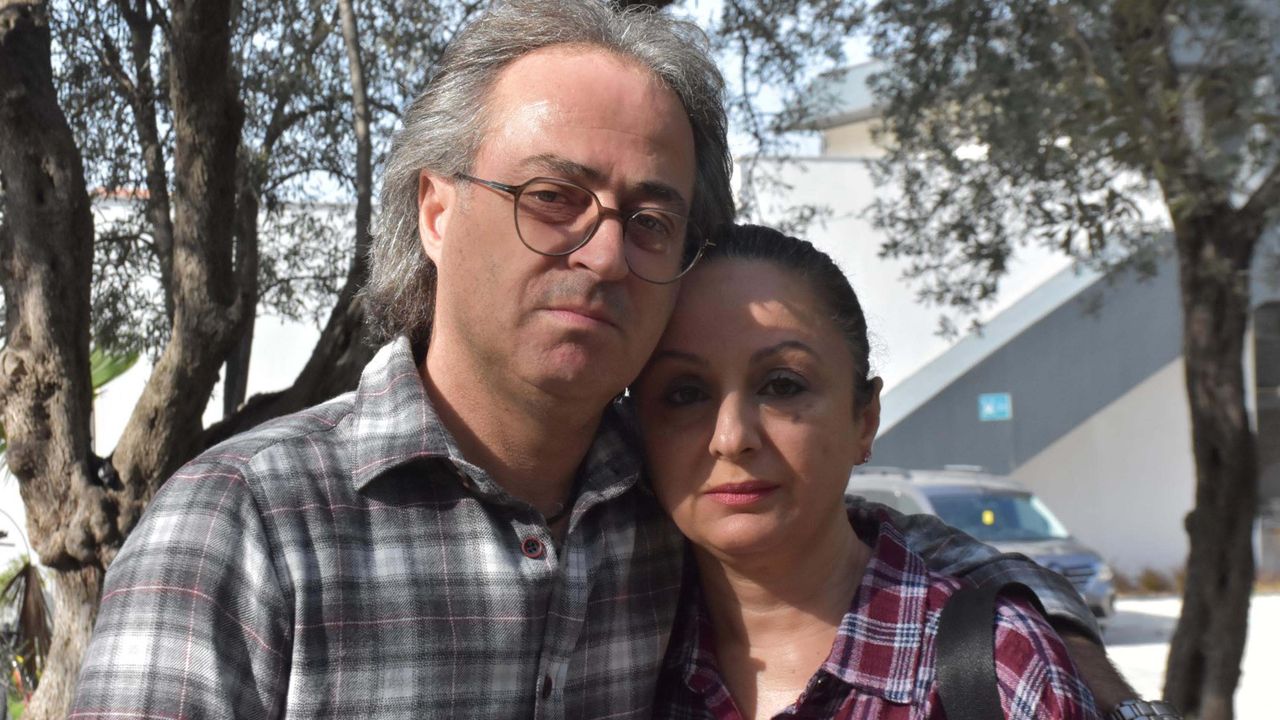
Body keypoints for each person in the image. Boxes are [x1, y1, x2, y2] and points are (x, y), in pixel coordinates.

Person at [71, 1, 1138, 718]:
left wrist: (1038, 622)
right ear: (436, 210)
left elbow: (856, 539)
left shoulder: (667, 489)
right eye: (552, 197)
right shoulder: (243, 530)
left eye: (650, 219)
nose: (604, 252)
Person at [634, 224, 1100, 719]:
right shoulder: (615, 663)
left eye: (782, 386)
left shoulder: (1003, 669)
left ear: (865, 419)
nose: (731, 438)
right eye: (685, 393)